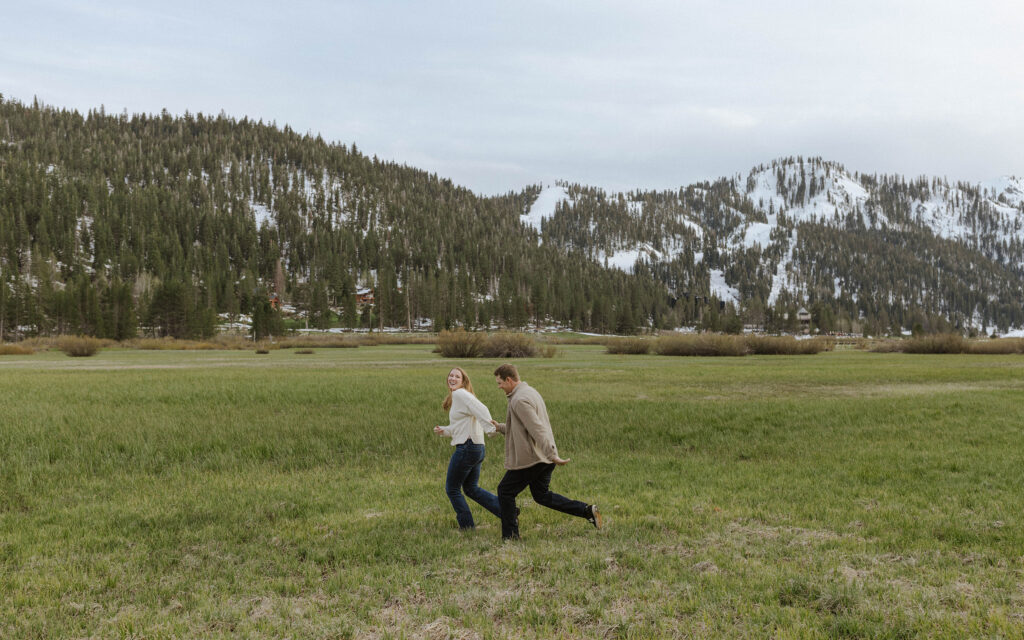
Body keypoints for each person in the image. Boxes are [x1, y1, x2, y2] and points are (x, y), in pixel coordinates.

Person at [489, 364, 601, 540]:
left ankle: (510, 537)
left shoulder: (519, 400)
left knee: (505, 491)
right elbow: (522, 426)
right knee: (541, 496)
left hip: (533, 458)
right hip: (543, 457)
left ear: (509, 380)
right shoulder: (529, 392)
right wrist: (500, 428)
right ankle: (586, 511)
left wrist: (552, 454)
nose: (499, 387)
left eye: (500, 383)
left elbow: (537, 428)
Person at [433, 367, 502, 529]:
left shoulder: (460, 394)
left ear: (463, 381)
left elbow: (483, 409)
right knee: (471, 488)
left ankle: (467, 527)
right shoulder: (460, 396)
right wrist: (445, 430)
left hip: (467, 448)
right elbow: (461, 426)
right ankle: (507, 511)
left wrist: (492, 429)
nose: (452, 378)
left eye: (457, 376)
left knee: (452, 488)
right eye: (450, 375)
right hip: (476, 448)